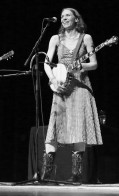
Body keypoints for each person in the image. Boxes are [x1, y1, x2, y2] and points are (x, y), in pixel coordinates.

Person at [42, 8, 103, 183]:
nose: (63, 18)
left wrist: (81, 67)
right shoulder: (55, 39)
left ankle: (76, 175)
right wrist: (53, 79)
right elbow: (47, 63)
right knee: (54, 127)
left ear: (77, 19)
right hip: (60, 86)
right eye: (62, 16)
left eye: (67, 15)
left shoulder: (86, 38)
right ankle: (46, 174)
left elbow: (94, 63)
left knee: (78, 127)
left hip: (80, 87)